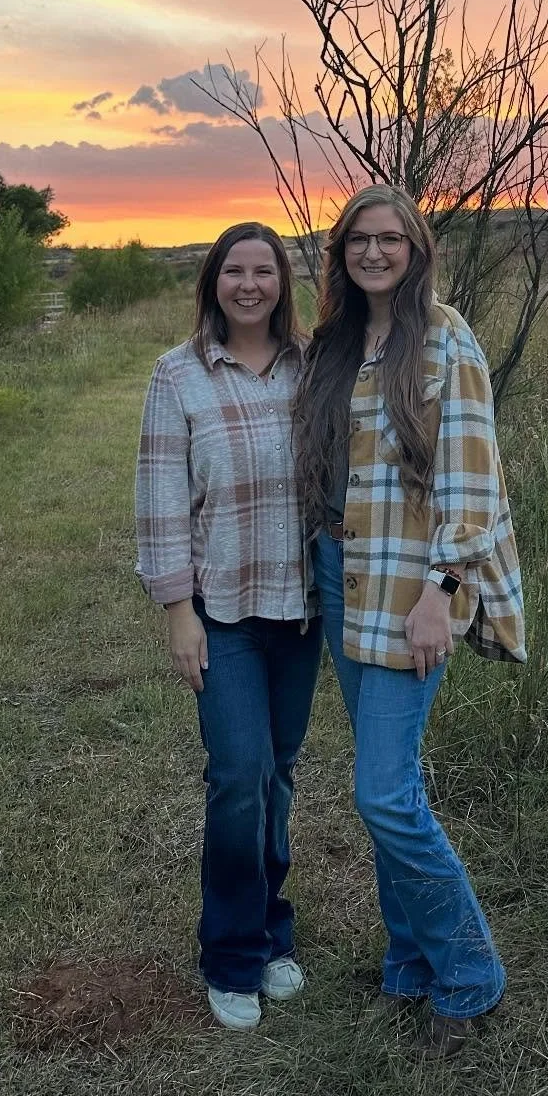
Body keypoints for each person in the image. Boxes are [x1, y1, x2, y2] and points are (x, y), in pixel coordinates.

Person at [295, 184, 525, 1056]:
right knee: (391, 788)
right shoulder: (339, 342)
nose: (376, 252)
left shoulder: (445, 337)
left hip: (410, 584)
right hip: (341, 574)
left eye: (391, 239)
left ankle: (470, 975)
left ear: (416, 248)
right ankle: (408, 962)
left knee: (383, 795)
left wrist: (445, 588)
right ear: (342, 252)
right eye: (361, 239)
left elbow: (473, 471)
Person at [135, 223, 321, 1032]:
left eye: (264, 271)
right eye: (234, 271)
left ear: (282, 282)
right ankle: (232, 954)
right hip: (225, 613)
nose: (250, 285)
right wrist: (179, 611)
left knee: (278, 775)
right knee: (239, 776)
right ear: (213, 281)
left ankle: (273, 930)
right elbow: (160, 501)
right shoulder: (177, 378)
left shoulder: (313, 369)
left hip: (301, 610)